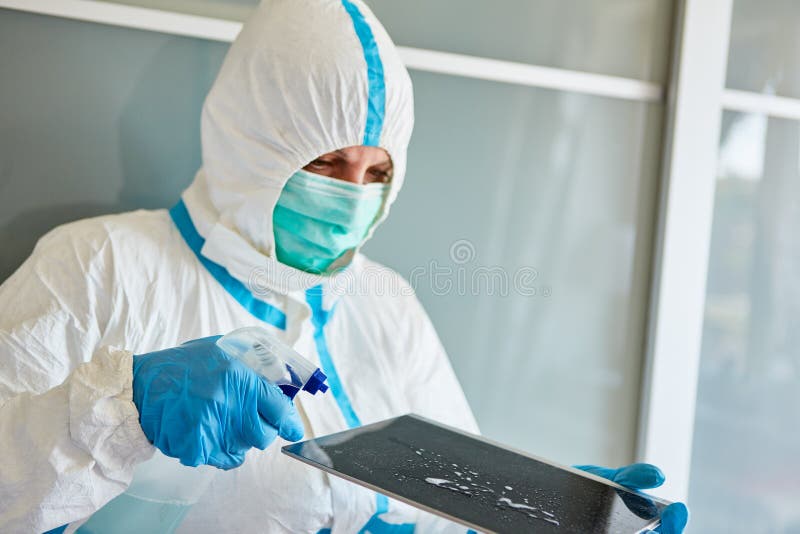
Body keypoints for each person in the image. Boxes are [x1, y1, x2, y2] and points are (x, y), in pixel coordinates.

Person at [0, 0, 687, 532]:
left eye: (376, 169)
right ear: (249, 140)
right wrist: (124, 406)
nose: (351, 195)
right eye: (326, 160)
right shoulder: (99, 265)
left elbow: (441, 503)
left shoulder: (385, 302)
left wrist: (532, 511)